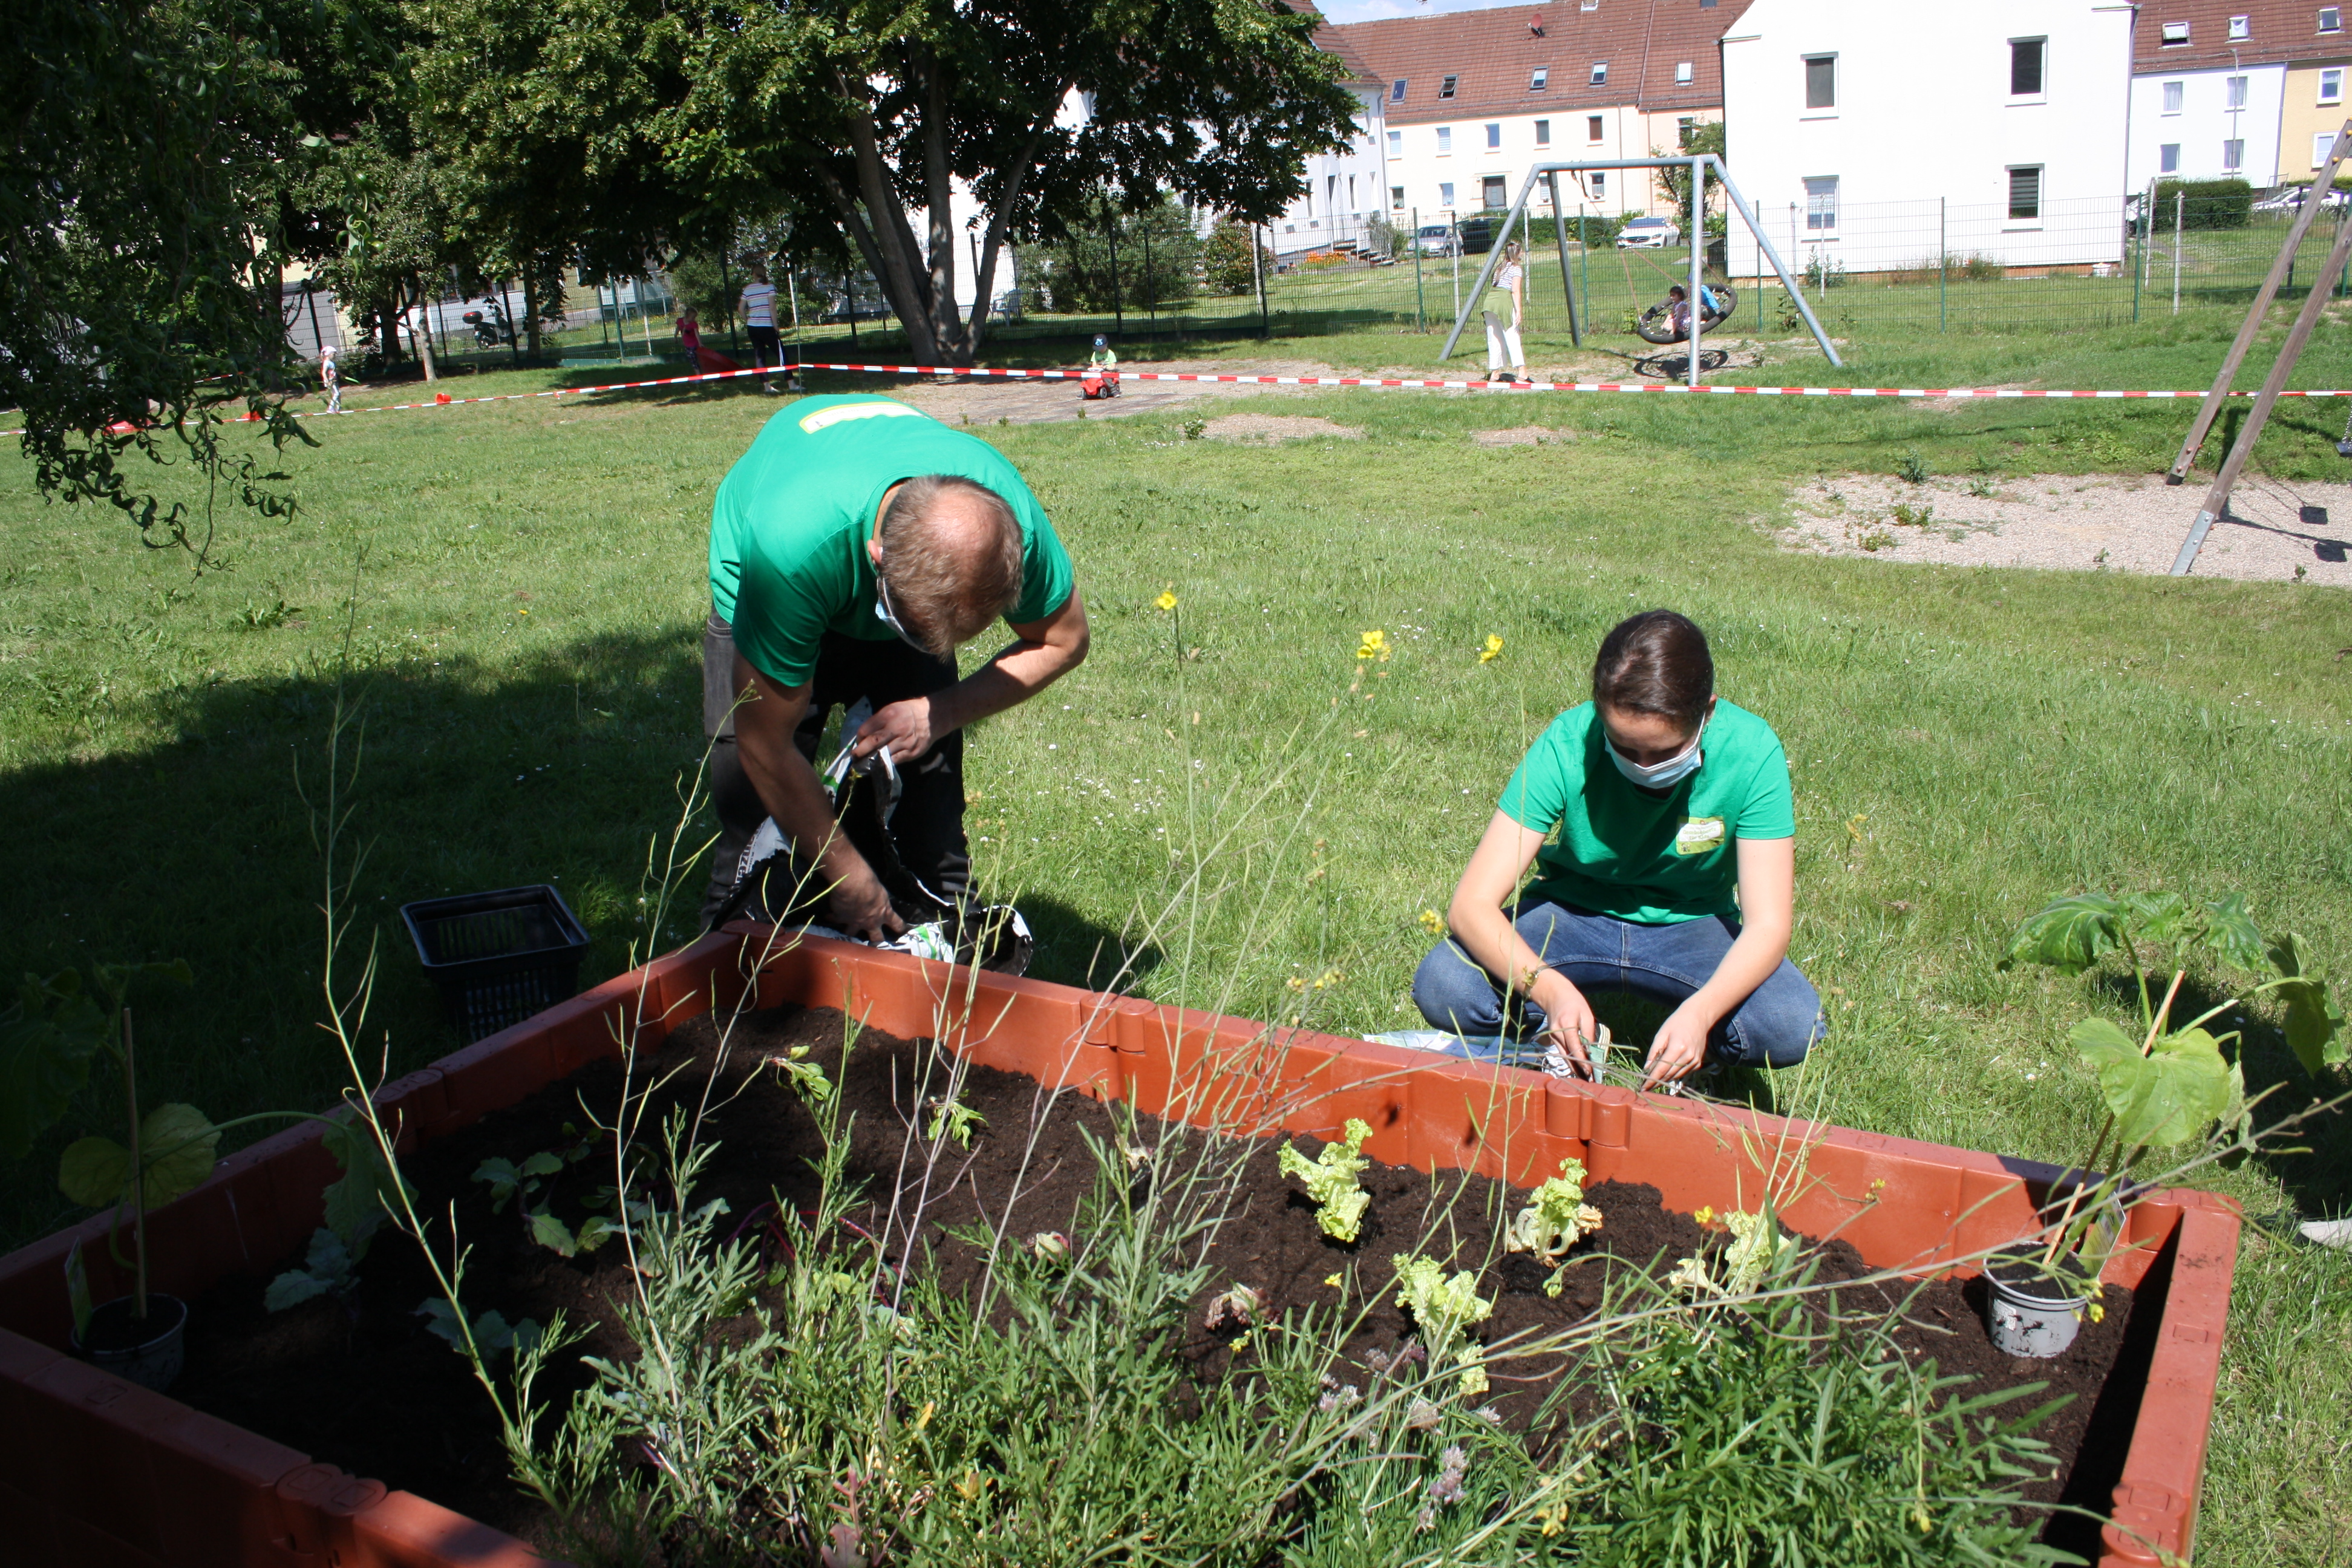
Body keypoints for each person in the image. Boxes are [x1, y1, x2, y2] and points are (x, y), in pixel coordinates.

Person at [702, 394, 1090, 945]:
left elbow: (1065, 640)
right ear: (877, 555)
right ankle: (732, 980)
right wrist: (849, 874)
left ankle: (953, 983)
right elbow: (764, 747)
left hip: (874, 559)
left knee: (932, 832)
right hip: (785, 572)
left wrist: (937, 710)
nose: (933, 647)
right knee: (755, 831)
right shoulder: (791, 547)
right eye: (915, 630)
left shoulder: (1004, 525)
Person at [1411, 610, 1823, 1090]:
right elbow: (1471, 906)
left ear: (1706, 712)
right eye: (1623, 746)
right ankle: (1551, 1038)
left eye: (1663, 753)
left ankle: (1693, 1057)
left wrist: (1702, 1013)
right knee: (1447, 986)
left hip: (1693, 924)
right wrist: (1552, 992)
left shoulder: (1752, 751)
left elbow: (1768, 925)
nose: (1642, 766)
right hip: (1570, 914)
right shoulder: (1569, 740)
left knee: (1789, 1023)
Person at [738, 264, 802, 393]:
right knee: (782, 354)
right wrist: (776, 325)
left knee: (760, 356)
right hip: (766, 326)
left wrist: (748, 320)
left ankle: (767, 387)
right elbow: (772, 308)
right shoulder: (769, 287)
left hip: (753, 327)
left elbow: (740, 309)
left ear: (753, 274)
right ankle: (791, 384)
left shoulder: (747, 289)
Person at [1483, 240, 1527, 385]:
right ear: (1518, 253)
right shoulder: (1516, 268)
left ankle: (1495, 372)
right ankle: (1522, 371)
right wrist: (1519, 311)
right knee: (1512, 335)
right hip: (1503, 301)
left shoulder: (1499, 268)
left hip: (1490, 302)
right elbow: (1515, 290)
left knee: (1494, 338)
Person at [1084, 333, 1120, 399]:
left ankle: (1113, 390)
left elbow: (1113, 367)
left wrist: (1106, 368)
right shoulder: (1095, 353)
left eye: (1102, 348)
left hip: (1108, 371)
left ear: (1107, 344)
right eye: (1098, 348)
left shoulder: (1111, 354)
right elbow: (1094, 365)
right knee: (1085, 376)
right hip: (1098, 371)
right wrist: (1099, 367)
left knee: (1105, 375)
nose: (1100, 350)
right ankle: (1086, 390)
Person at [319, 344, 342, 413]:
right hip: (331, 381)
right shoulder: (326, 363)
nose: (335, 356)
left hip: (334, 380)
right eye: (334, 354)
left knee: (338, 394)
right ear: (329, 354)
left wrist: (342, 375)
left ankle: (338, 408)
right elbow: (323, 373)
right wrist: (327, 381)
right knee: (336, 394)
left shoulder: (332, 362)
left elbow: (335, 371)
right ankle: (330, 408)